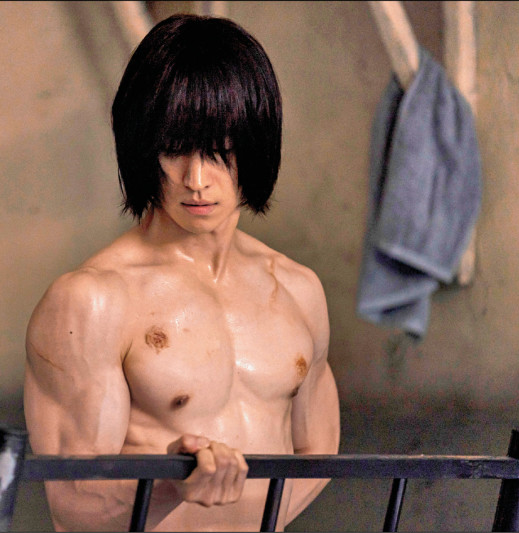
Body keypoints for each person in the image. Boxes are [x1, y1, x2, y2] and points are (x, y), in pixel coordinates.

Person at [23, 13, 340, 532]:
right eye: (174, 149)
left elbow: (318, 450)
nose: (196, 179)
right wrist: (173, 485)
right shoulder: (92, 301)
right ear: (144, 148)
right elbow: (72, 505)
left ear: (257, 143)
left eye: (220, 151)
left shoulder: (298, 290)